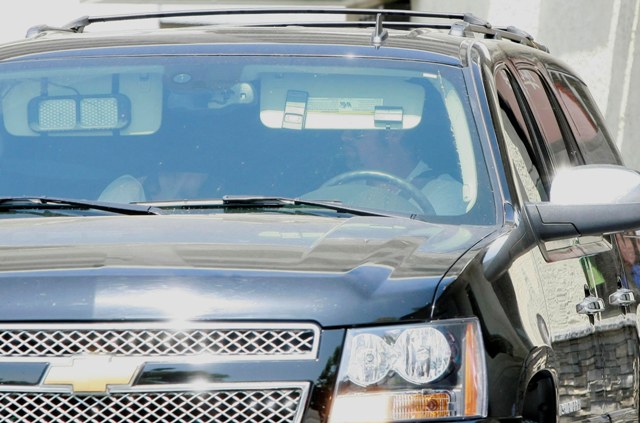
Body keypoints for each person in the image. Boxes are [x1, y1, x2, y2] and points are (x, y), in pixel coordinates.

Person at [329, 128, 468, 215]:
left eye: (358, 132)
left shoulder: (445, 192)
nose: (344, 137)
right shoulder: (347, 187)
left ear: (394, 134)